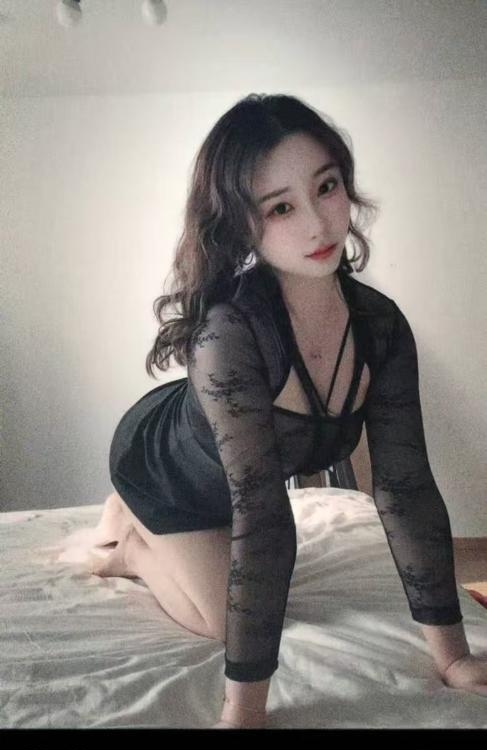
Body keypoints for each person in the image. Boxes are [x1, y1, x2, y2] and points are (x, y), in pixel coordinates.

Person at [88, 94, 487, 729]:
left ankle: (134, 530)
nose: (317, 225)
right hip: (168, 472)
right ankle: (134, 543)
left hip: (230, 477)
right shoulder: (228, 335)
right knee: (224, 624)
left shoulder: (381, 326)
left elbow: (406, 488)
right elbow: (265, 517)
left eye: (325, 187)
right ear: (241, 225)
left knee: (266, 582)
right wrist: (243, 713)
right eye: (280, 208)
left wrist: (453, 658)